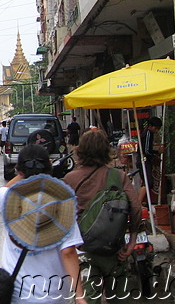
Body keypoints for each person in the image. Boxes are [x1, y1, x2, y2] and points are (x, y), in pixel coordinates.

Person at [0, 144, 86, 303]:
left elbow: (5, 188)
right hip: (53, 295)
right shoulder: (63, 205)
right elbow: (68, 253)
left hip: (17, 295)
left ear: (19, 170)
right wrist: (80, 296)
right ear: (49, 166)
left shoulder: (6, 198)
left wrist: (24, 174)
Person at [63, 129, 142, 304]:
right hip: (114, 251)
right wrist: (132, 242)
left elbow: (62, 219)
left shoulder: (70, 179)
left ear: (81, 150)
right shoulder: (118, 176)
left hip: (84, 252)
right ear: (106, 150)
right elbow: (136, 208)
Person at [141, 117, 163, 199]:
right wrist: (157, 152)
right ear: (151, 126)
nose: (157, 130)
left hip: (145, 160)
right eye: (156, 128)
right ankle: (138, 202)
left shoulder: (147, 133)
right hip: (144, 160)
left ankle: (140, 201)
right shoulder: (148, 133)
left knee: (146, 182)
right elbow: (147, 150)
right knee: (148, 182)